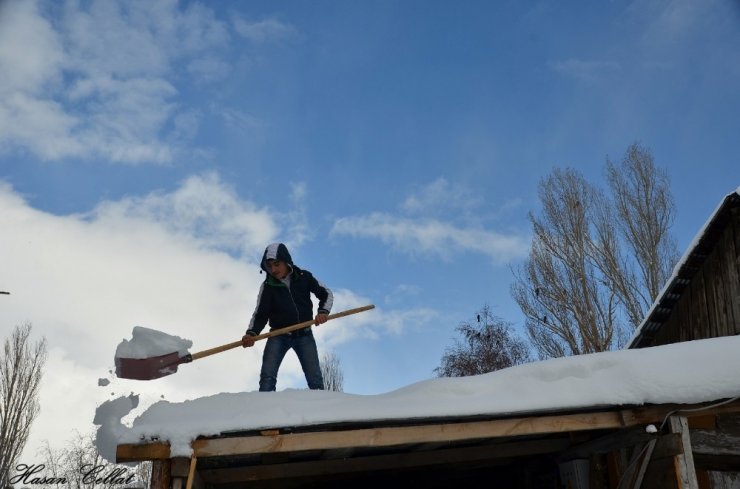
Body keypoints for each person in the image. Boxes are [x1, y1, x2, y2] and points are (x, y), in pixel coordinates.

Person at [241, 242, 333, 391]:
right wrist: (251, 333)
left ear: (286, 261)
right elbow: (260, 314)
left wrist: (323, 312)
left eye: (277, 264)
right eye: (269, 266)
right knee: (267, 377)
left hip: (304, 335)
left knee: (315, 379)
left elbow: (326, 293)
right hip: (278, 335)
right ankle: (265, 408)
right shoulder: (268, 286)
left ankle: (322, 411)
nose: (273, 270)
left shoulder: (304, 277)